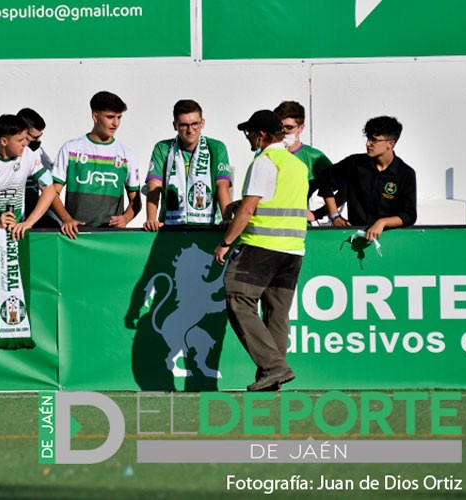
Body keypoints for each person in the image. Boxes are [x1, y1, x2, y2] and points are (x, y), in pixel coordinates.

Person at [214, 110, 309, 392]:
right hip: (293, 249)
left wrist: (227, 241)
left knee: (237, 296)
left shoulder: (264, 160)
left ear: (262, 135)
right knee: (277, 315)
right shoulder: (296, 165)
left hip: (262, 246)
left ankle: (274, 367)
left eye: (250, 133)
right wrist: (241, 204)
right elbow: (278, 199)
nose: (248, 137)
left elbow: (249, 209)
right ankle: (271, 377)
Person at [50, 91, 141, 239]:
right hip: (75, 236)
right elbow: (52, 193)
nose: (115, 123)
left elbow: (135, 201)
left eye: (119, 117)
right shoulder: (71, 148)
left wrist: (126, 218)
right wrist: (66, 219)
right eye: (110, 117)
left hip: (112, 237)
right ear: (95, 116)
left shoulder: (127, 154)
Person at [317, 116, 416, 241]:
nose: (368, 143)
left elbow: (409, 215)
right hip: (354, 238)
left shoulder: (405, 173)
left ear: (390, 144)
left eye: (374, 140)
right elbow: (325, 180)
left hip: (389, 239)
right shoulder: (354, 163)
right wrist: (334, 216)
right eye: (368, 138)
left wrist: (383, 222)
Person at [144, 99, 232, 231]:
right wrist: (151, 219)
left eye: (195, 124)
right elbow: (154, 185)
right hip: (170, 224)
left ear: (202, 123)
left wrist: (227, 219)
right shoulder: (162, 148)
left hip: (209, 225)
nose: (190, 130)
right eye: (184, 125)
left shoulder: (217, 147)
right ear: (175, 125)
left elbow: (222, 185)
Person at [273, 100, 334, 220]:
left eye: (289, 127)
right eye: (280, 127)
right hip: (268, 226)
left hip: (298, 227)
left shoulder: (314, 157)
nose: (283, 131)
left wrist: (319, 214)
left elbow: (344, 188)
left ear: (301, 128)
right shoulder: (266, 153)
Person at [18, 108, 59, 228]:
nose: (38, 141)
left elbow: (50, 189)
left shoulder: (38, 154)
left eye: (40, 136)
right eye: (34, 137)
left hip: (33, 216)